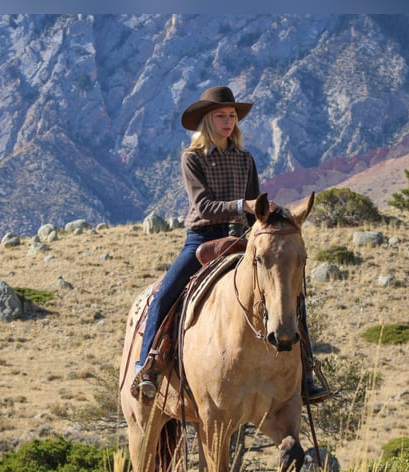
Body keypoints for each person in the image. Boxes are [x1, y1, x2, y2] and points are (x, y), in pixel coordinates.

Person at [133, 85, 328, 404]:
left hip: (241, 239)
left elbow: (256, 208)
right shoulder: (192, 158)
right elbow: (203, 206)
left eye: (232, 116)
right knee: (165, 294)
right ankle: (149, 366)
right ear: (207, 121)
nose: (228, 122)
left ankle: (305, 370)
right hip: (203, 238)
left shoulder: (245, 158)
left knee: (292, 293)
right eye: (221, 116)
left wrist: (265, 224)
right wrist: (243, 206)